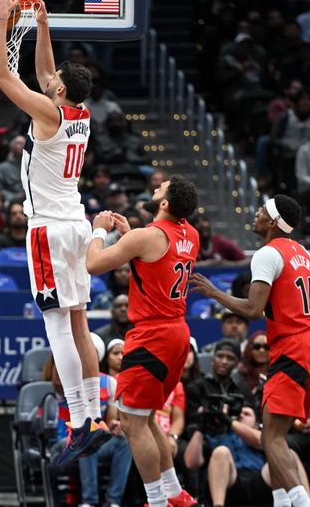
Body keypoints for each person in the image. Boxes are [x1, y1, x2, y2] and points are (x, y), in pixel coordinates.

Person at [0, 0, 110, 466]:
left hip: (49, 231)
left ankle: (78, 422)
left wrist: (0, 21)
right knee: (79, 323)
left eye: (55, 81)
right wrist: (42, 23)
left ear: (60, 91)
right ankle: (94, 416)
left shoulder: (48, 113)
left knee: (57, 324)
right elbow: (43, 73)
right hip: (76, 226)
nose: (51, 79)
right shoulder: (78, 113)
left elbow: (2, 74)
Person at [190, 195, 310, 507]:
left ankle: (302, 503)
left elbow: (254, 309)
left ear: (271, 222)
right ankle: (284, 502)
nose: (255, 214)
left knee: (270, 436)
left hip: (295, 347)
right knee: (277, 435)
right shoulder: (302, 253)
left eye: (261, 211)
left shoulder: (267, 253)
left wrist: (215, 292)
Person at [85, 176, 200, 507]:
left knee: (134, 425)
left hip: (152, 335)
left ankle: (157, 501)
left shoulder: (145, 237)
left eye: (159, 189)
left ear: (164, 204)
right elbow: (156, 261)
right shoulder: (190, 234)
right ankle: (175, 492)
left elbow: (94, 264)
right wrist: (128, 238)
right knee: (148, 419)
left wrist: (99, 230)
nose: (154, 189)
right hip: (177, 332)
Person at [43, 352, 132, 507]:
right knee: (86, 437)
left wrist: (113, 426)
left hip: (93, 441)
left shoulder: (108, 383)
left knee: (122, 441)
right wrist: (62, 352)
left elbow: (109, 421)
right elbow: (57, 383)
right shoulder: (65, 380)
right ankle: (89, 501)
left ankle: (113, 501)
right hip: (63, 443)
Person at [184, 402, 310, 507]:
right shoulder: (219, 434)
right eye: (239, 414)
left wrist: (230, 421)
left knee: (290, 455)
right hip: (230, 482)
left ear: (256, 422)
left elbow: (261, 441)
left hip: (259, 480)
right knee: (220, 451)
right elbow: (190, 462)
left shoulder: (262, 435)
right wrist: (201, 428)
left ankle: (308, 503)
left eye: (247, 414)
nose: (241, 415)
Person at [0, 134, 26, 201]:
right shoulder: (2, 168)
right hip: (10, 202)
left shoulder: (33, 167)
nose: (22, 145)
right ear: (11, 147)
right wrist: (14, 197)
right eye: (19, 143)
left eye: (24, 143)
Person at [238, 330, 270, 396]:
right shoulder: (239, 375)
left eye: (266, 347)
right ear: (249, 349)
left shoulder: (279, 374)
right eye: (257, 347)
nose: (261, 350)